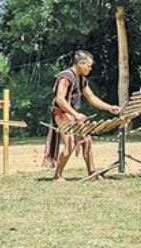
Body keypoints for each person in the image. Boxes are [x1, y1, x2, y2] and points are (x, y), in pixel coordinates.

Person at [44, 50, 120, 182]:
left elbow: (91, 97)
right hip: (61, 113)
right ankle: (57, 176)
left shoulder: (82, 79)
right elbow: (60, 99)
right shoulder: (65, 77)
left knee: (87, 141)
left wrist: (109, 107)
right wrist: (75, 114)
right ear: (80, 63)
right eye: (88, 66)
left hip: (73, 114)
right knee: (70, 143)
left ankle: (92, 173)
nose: (90, 69)